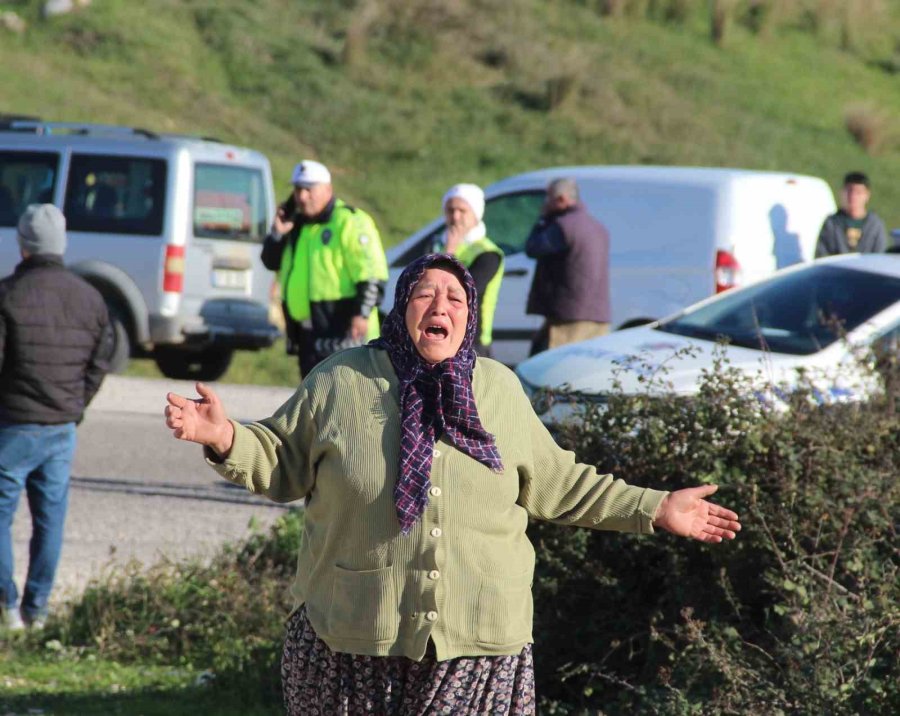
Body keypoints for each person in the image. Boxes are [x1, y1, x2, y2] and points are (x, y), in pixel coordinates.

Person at [164, 253, 741, 714]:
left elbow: (563, 484)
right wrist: (223, 436)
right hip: (352, 636)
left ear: (470, 318)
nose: (440, 306)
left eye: (456, 298)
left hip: (479, 642)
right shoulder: (341, 380)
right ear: (401, 308)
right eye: (424, 294)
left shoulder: (497, 389)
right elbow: (280, 460)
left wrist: (656, 507)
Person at [0, 204, 111, 631]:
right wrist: (76, 403)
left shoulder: (8, 294)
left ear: (23, 244)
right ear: (62, 243)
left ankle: (7, 607)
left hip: (12, 425)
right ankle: (38, 610)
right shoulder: (90, 298)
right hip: (62, 427)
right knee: (50, 523)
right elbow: (100, 362)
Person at [260, 159, 388, 378]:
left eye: (309, 190)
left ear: (328, 189)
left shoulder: (349, 221)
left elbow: (372, 274)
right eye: (298, 189)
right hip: (308, 334)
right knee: (314, 403)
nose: (302, 196)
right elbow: (270, 262)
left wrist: (362, 313)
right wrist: (278, 233)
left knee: (346, 400)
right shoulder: (297, 225)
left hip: (344, 330)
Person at [525, 177, 610, 356]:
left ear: (561, 199)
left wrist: (542, 219)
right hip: (598, 314)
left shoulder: (562, 226)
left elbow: (532, 248)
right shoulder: (598, 227)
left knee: (552, 370)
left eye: (548, 198)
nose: (545, 203)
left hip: (567, 317)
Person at [429, 183, 503, 356]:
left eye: (462, 211)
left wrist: (449, 253)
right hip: (439, 332)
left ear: (476, 215)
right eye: (450, 210)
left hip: (473, 340)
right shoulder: (436, 244)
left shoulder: (488, 253)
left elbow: (464, 291)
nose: (455, 217)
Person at [815, 171, 888, 257]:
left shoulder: (875, 225)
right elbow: (822, 255)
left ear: (867, 195)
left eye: (858, 192)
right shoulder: (831, 223)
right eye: (849, 191)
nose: (853, 196)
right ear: (842, 192)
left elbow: (879, 256)